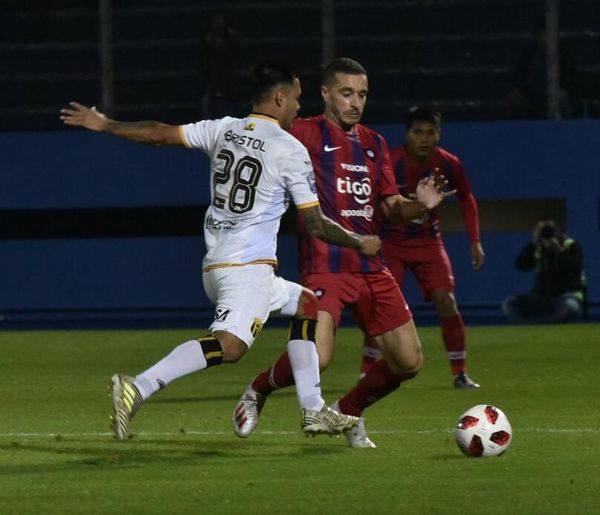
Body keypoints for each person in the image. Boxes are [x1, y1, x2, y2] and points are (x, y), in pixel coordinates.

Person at [60, 62, 392, 441]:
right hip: (245, 268)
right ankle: (138, 386)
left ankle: (313, 409)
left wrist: (106, 125)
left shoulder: (223, 128)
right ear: (280, 98)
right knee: (230, 346)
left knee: (306, 304)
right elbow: (316, 224)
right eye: (297, 99)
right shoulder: (289, 149)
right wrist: (358, 241)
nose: (299, 108)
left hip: (220, 265)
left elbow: (158, 134)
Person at [232, 58, 452, 448]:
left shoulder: (374, 144)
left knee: (408, 361)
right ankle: (257, 389)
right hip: (324, 267)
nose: (355, 102)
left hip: (370, 267)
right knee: (319, 357)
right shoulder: (301, 132)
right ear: (326, 93)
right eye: (346, 93)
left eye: (362, 94)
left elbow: (389, 208)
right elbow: (258, 135)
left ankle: (349, 411)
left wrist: (420, 205)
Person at [360, 106, 483, 389]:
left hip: (429, 242)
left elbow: (466, 198)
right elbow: (372, 201)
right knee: (382, 307)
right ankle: (367, 369)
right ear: (408, 134)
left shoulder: (449, 163)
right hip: (392, 242)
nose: (425, 138)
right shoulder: (391, 161)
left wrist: (475, 240)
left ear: (438, 134)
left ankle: (460, 373)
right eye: (418, 132)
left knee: (447, 301)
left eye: (430, 132)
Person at [502, 218, 585, 324]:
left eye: (550, 230)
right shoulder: (538, 247)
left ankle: (534, 323)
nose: (547, 233)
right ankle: (536, 323)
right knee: (509, 304)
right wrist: (533, 243)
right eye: (542, 230)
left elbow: (576, 267)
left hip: (566, 295)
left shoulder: (570, 245)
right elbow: (521, 265)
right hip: (541, 297)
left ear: (559, 231)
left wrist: (559, 250)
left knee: (571, 308)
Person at [200, 10, 239, 118]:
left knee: (225, 106)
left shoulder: (230, 39)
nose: (218, 23)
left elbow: (233, 58)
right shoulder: (208, 40)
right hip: (211, 77)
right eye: (215, 21)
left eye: (220, 20)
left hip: (226, 79)